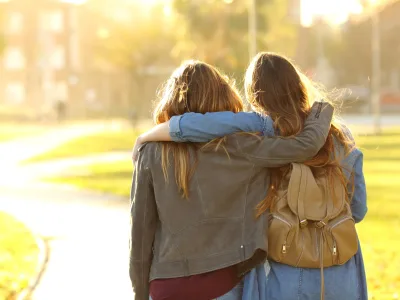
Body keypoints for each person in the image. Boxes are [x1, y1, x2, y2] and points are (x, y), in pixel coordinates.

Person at [132, 53, 367, 300]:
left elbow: (210, 126)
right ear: (299, 86)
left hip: (279, 273)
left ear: (256, 96)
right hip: (340, 268)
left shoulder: (258, 134)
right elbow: (358, 210)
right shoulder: (340, 138)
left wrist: (161, 131)